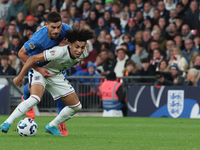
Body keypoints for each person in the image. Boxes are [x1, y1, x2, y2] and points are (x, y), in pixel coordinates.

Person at [0, 26, 95, 136]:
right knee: (35, 98)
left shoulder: (84, 53)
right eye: (77, 47)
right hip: (41, 71)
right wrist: (20, 76)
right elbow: (32, 59)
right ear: (70, 44)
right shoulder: (58, 51)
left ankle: (52, 126)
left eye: (82, 47)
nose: (79, 50)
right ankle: (7, 123)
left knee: (76, 106)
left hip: (56, 75)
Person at [17, 12, 72, 136]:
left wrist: (68, 46)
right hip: (38, 64)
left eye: (59, 27)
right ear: (47, 25)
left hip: (55, 64)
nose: (57, 30)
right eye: (53, 27)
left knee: (61, 93)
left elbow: (76, 43)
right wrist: (37, 68)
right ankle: (25, 97)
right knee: (34, 91)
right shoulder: (38, 39)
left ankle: (60, 122)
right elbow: (21, 53)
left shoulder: (67, 30)